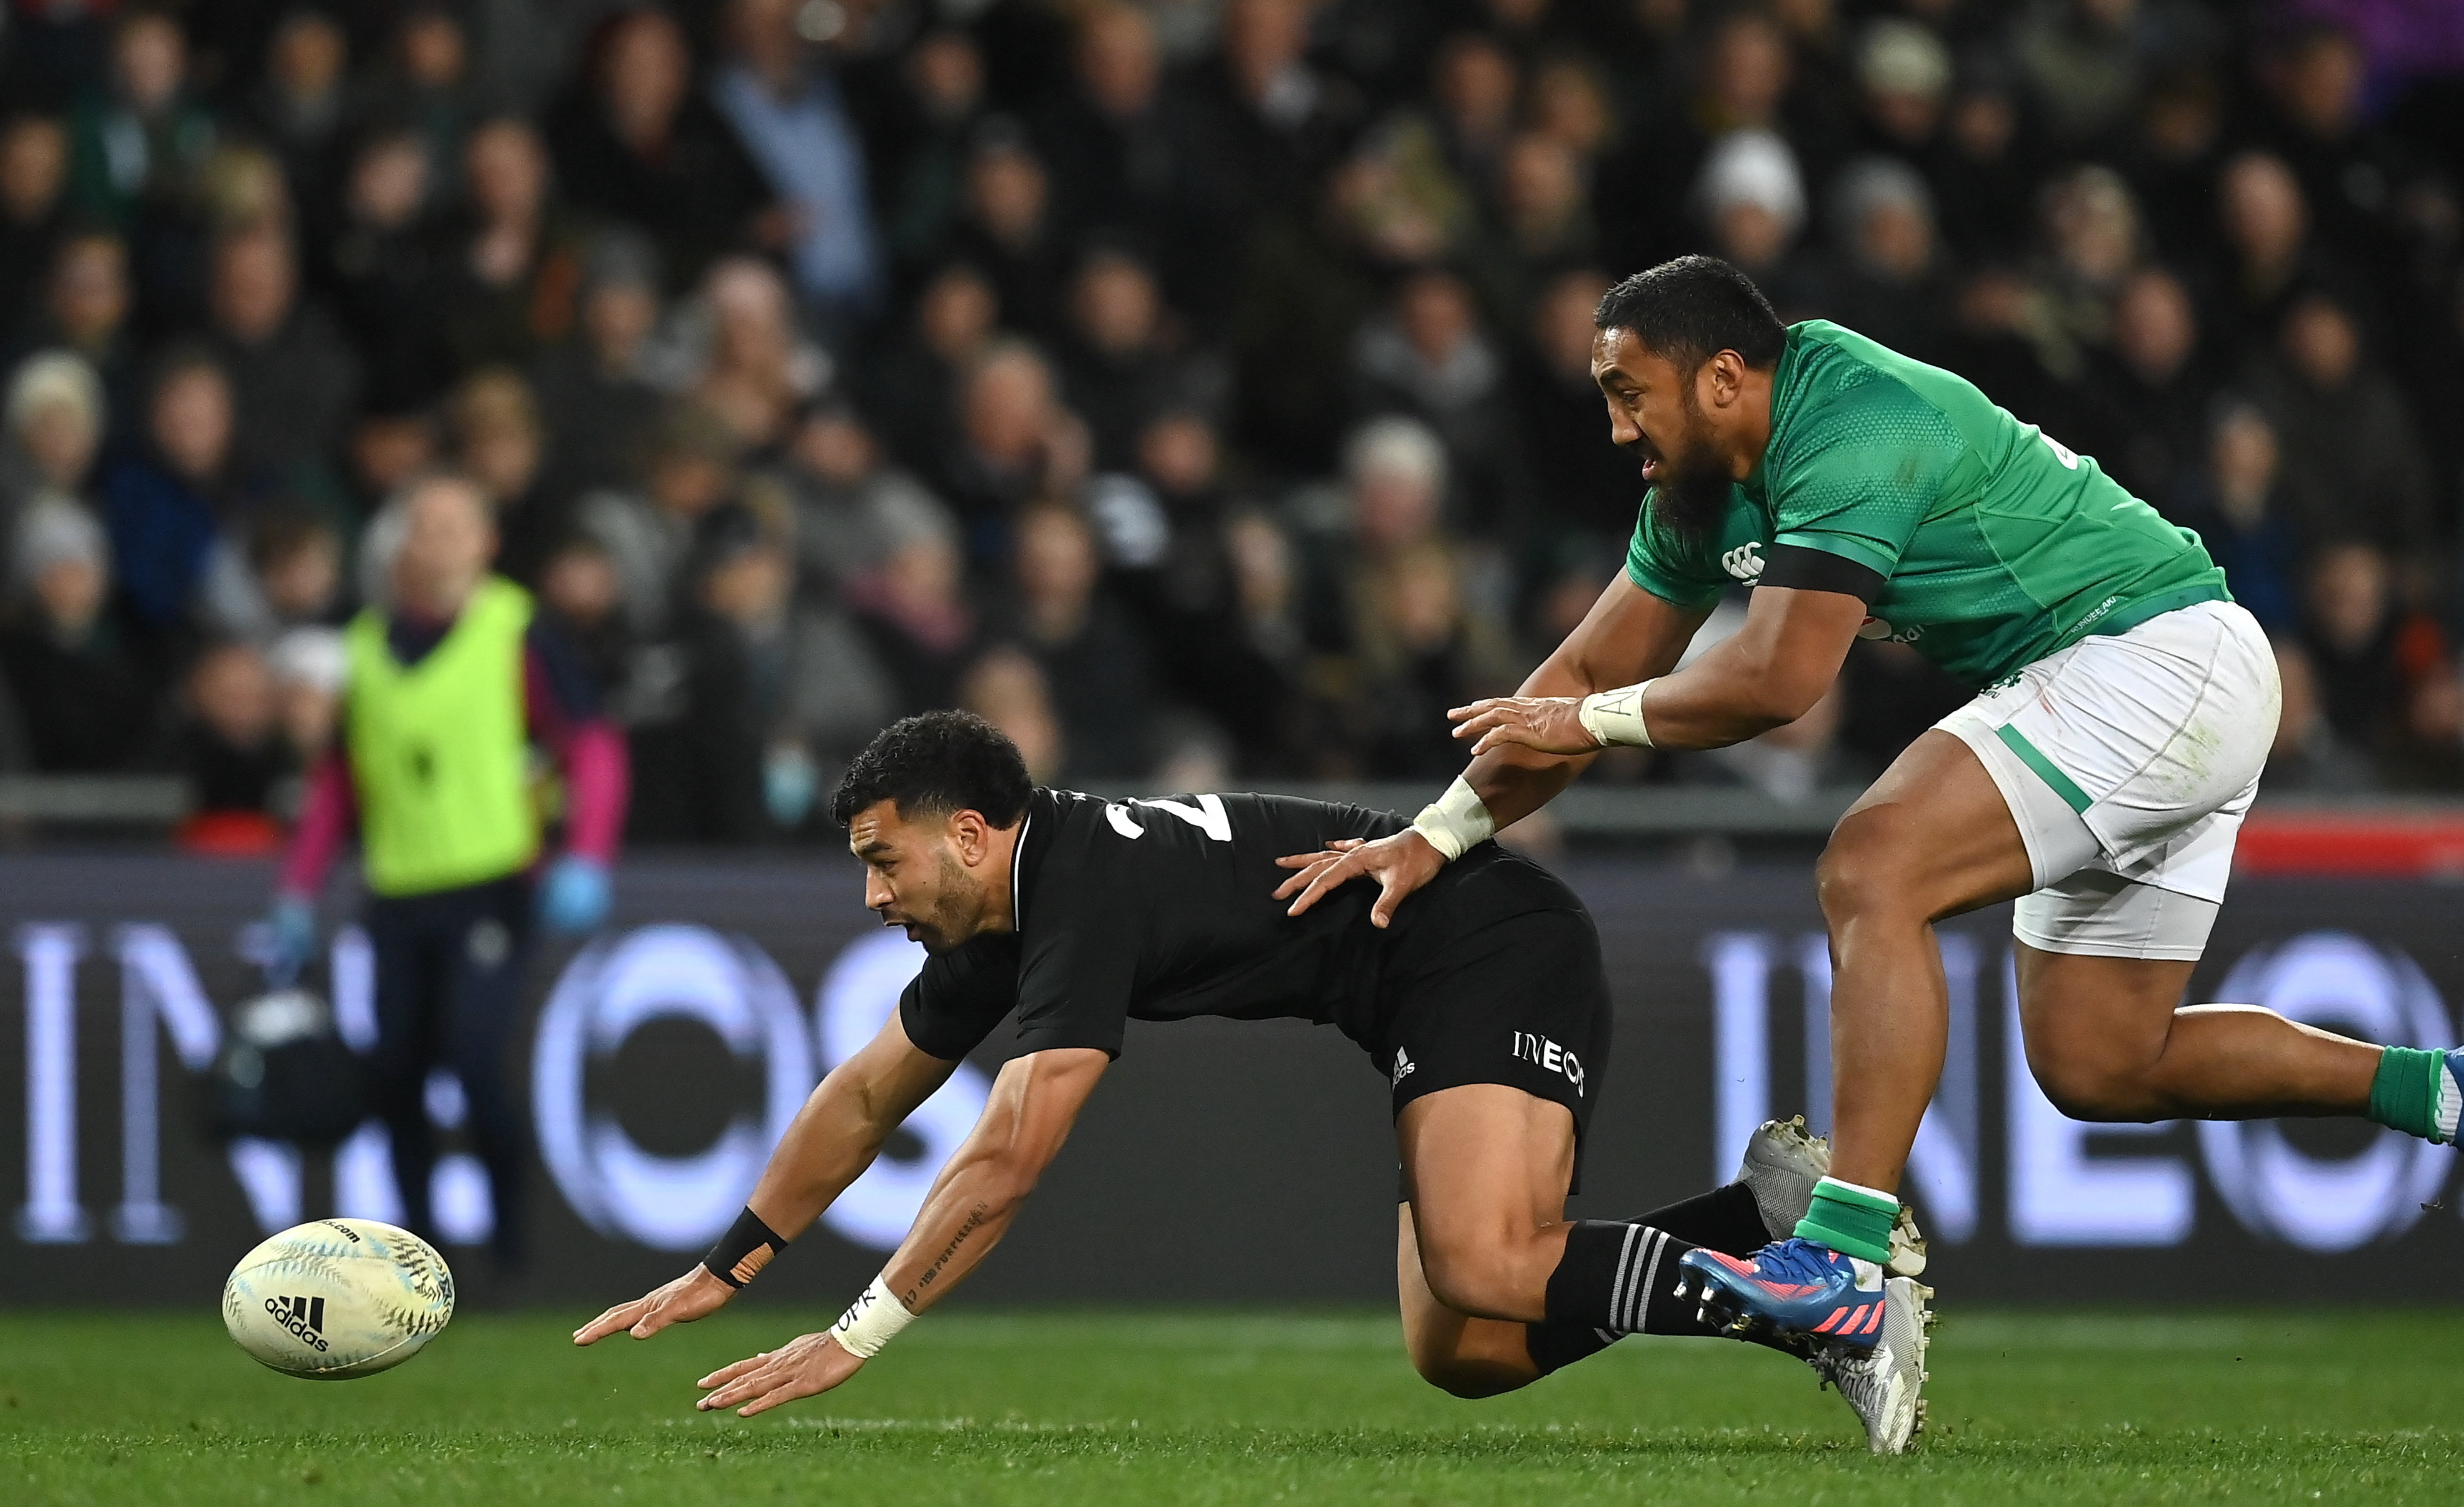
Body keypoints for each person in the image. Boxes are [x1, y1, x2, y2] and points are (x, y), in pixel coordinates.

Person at [1276, 256, 2464, 1355]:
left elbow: (1780, 680)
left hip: (2151, 655)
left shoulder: (1851, 421)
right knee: (2100, 1062)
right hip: (2140, 681)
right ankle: (2453, 1091)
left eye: (1631, 392)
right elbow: (1582, 673)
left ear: (1724, 375)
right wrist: (1440, 828)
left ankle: (1840, 1256)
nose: (1617, 425)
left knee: (1874, 864)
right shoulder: (1695, 489)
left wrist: (1595, 723)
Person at [575, 711, 1933, 1454]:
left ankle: (1830, 1308)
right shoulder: (1008, 912)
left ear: (974, 834)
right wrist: (737, 1258)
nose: (875, 895)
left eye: (886, 859)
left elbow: (1008, 1154)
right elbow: (865, 1094)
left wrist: (855, 1332)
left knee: (1481, 1257)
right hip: (1427, 978)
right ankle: (1759, 1221)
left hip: (1486, 941)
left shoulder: (1079, 891)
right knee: (1462, 1344)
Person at [271, 472, 628, 1279]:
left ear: (485, 543)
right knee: (394, 1074)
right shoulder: (363, 646)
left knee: (472, 1059)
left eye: (452, 524)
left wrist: (587, 853)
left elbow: (592, 743)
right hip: (396, 890)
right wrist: (298, 887)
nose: (435, 540)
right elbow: (340, 780)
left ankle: (510, 1247)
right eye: (421, 525)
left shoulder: (515, 628)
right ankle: (421, 1255)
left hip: (491, 882)